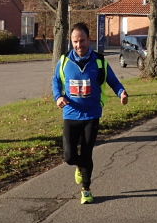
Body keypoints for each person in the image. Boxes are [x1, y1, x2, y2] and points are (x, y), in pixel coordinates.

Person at [52, 22, 128, 204]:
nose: (79, 45)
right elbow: (56, 81)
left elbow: (113, 81)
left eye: (82, 41)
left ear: (89, 39)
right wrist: (58, 97)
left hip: (91, 115)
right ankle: (78, 166)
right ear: (71, 42)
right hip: (70, 113)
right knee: (69, 156)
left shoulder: (99, 61)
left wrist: (122, 92)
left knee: (87, 153)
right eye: (75, 41)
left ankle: (86, 189)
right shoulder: (63, 62)